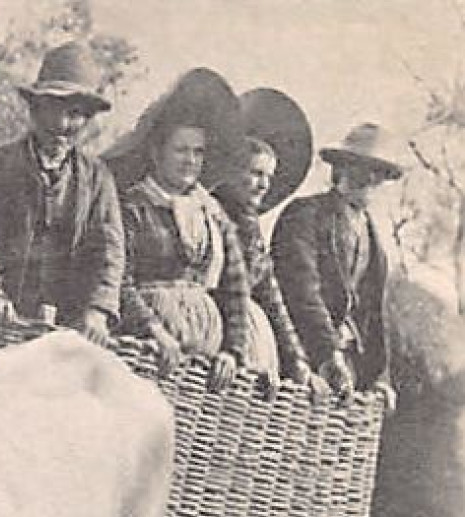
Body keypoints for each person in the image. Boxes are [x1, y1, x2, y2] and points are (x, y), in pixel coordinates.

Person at [0, 41, 124, 345]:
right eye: (53, 110)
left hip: (67, 330)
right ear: (34, 109)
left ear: (87, 118)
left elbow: (109, 253)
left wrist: (98, 311)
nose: (62, 125)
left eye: (74, 114)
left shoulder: (98, 179)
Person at [106, 69, 252, 392]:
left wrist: (232, 351)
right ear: (157, 153)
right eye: (180, 150)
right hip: (147, 350)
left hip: (207, 363)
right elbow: (119, 280)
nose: (190, 160)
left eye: (198, 152)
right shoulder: (133, 208)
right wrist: (154, 331)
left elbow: (236, 289)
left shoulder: (214, 216)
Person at [272, 123, 405, 410]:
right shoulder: (305, 215)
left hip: (350, 367)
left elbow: (374, 314)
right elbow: (301, 291)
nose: (370, 179)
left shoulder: (374, 239)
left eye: (379, 173)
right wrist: (327, 353)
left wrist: (381, 378)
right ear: (341, 168)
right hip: (302, 358)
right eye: (362, 168)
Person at [210, 89, 323, 398]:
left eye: (269, 178)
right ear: (233, 172)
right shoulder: (211, 212)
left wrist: (299, 360)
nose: (264, 185)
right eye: (256, 174)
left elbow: (272, 297)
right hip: (214, 338)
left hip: (246, 341)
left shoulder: (252, 229)